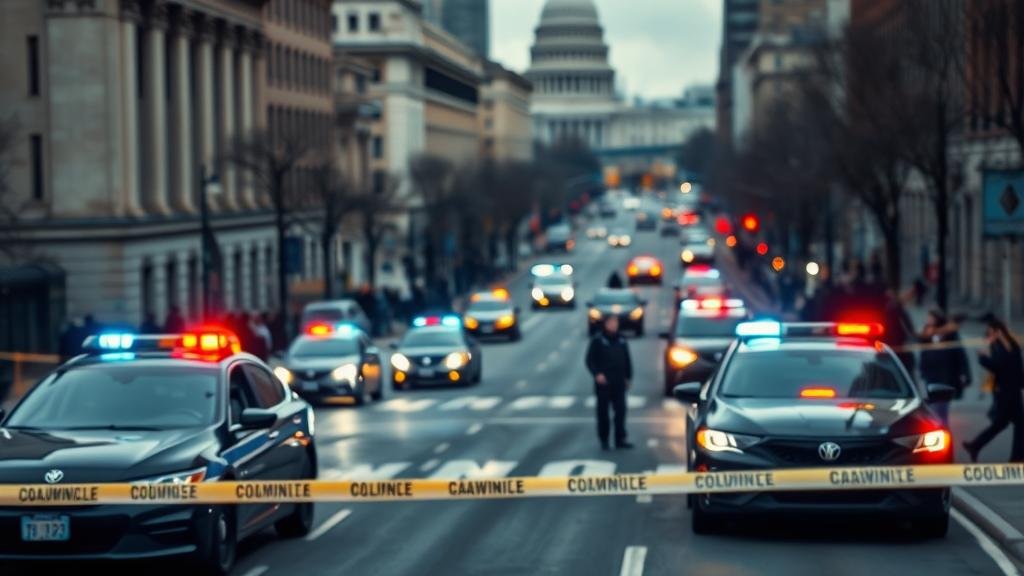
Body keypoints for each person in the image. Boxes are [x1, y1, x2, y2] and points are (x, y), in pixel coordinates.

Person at [963, 315, 1024, 463]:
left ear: (999, 331)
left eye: (992, 332)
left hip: (1014, 389)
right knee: (1004, 423)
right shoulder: (994, 346)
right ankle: (976, 445)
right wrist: (983, 357)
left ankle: (977, 446)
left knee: (1015, 424)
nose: (990, 335)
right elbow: (996, 366)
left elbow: (1017, 363)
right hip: (1003, 391)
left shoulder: (1011, 343)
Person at [584, 315, 634, 450]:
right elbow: (589, 360)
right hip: (604, 383)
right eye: (610, 322)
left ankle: (620, 439)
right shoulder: (598, 340)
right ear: (605, 324)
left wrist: (628, 378)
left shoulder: (622, 340)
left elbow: (627, 360)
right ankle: (604, 440)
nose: (613, 325)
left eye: (615, 322)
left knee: (621, 412)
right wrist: (597, 374)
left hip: (619, 382)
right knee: (603, 413)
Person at [918, 309, 970, 424]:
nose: (928, 320)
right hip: (931, 374)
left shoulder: (950, 334)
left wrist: (965, 373)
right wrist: (922, 369)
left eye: (931, 318)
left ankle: (942, 427)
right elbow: (923, 351)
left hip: (945, 374)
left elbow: (960, 354)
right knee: (932, 403)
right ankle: (936, 425)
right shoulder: (927, 332)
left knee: (941, 405)